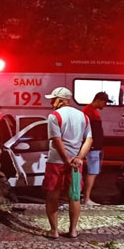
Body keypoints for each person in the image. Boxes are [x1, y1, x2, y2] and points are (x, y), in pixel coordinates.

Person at [43, 87, 93, 239]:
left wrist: (66, 159)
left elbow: (57, 140)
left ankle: (54, 231)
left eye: (54, 99)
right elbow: (89, 139)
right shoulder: (83, 117)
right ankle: (73, 230)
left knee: (53, 195)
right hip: (76, 164)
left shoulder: (54, 116)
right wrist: (79, 158)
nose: (51, 102)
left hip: (56, 161)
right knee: (75, 196)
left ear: (62, 100)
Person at [82, 92, 109, 206]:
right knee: (92, 172)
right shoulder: (89, 111)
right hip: (93, 147)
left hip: (94, 146)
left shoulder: (91, 111)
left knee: (93, 171)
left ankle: (85, 197)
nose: (105, 104)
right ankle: (87, 198)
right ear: (98, 100)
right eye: (104, 102)